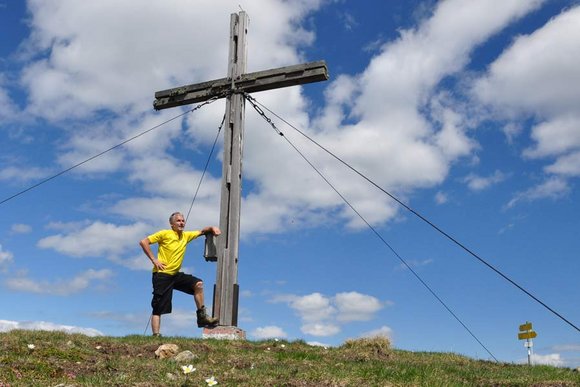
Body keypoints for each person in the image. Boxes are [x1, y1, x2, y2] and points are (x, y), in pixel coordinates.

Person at [139, 211, 220, 336]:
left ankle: (202, 317)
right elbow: (144, 242)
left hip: (176, 275)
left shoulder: (185, 236)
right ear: (172, 224)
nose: (181, 223)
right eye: (178, 221)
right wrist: (154, 260)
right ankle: (156, 335)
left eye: (183, 221)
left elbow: (202, 231)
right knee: (158, 307)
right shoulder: (164, 233)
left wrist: (212, 228)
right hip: (162, 275)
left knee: (198, 284)